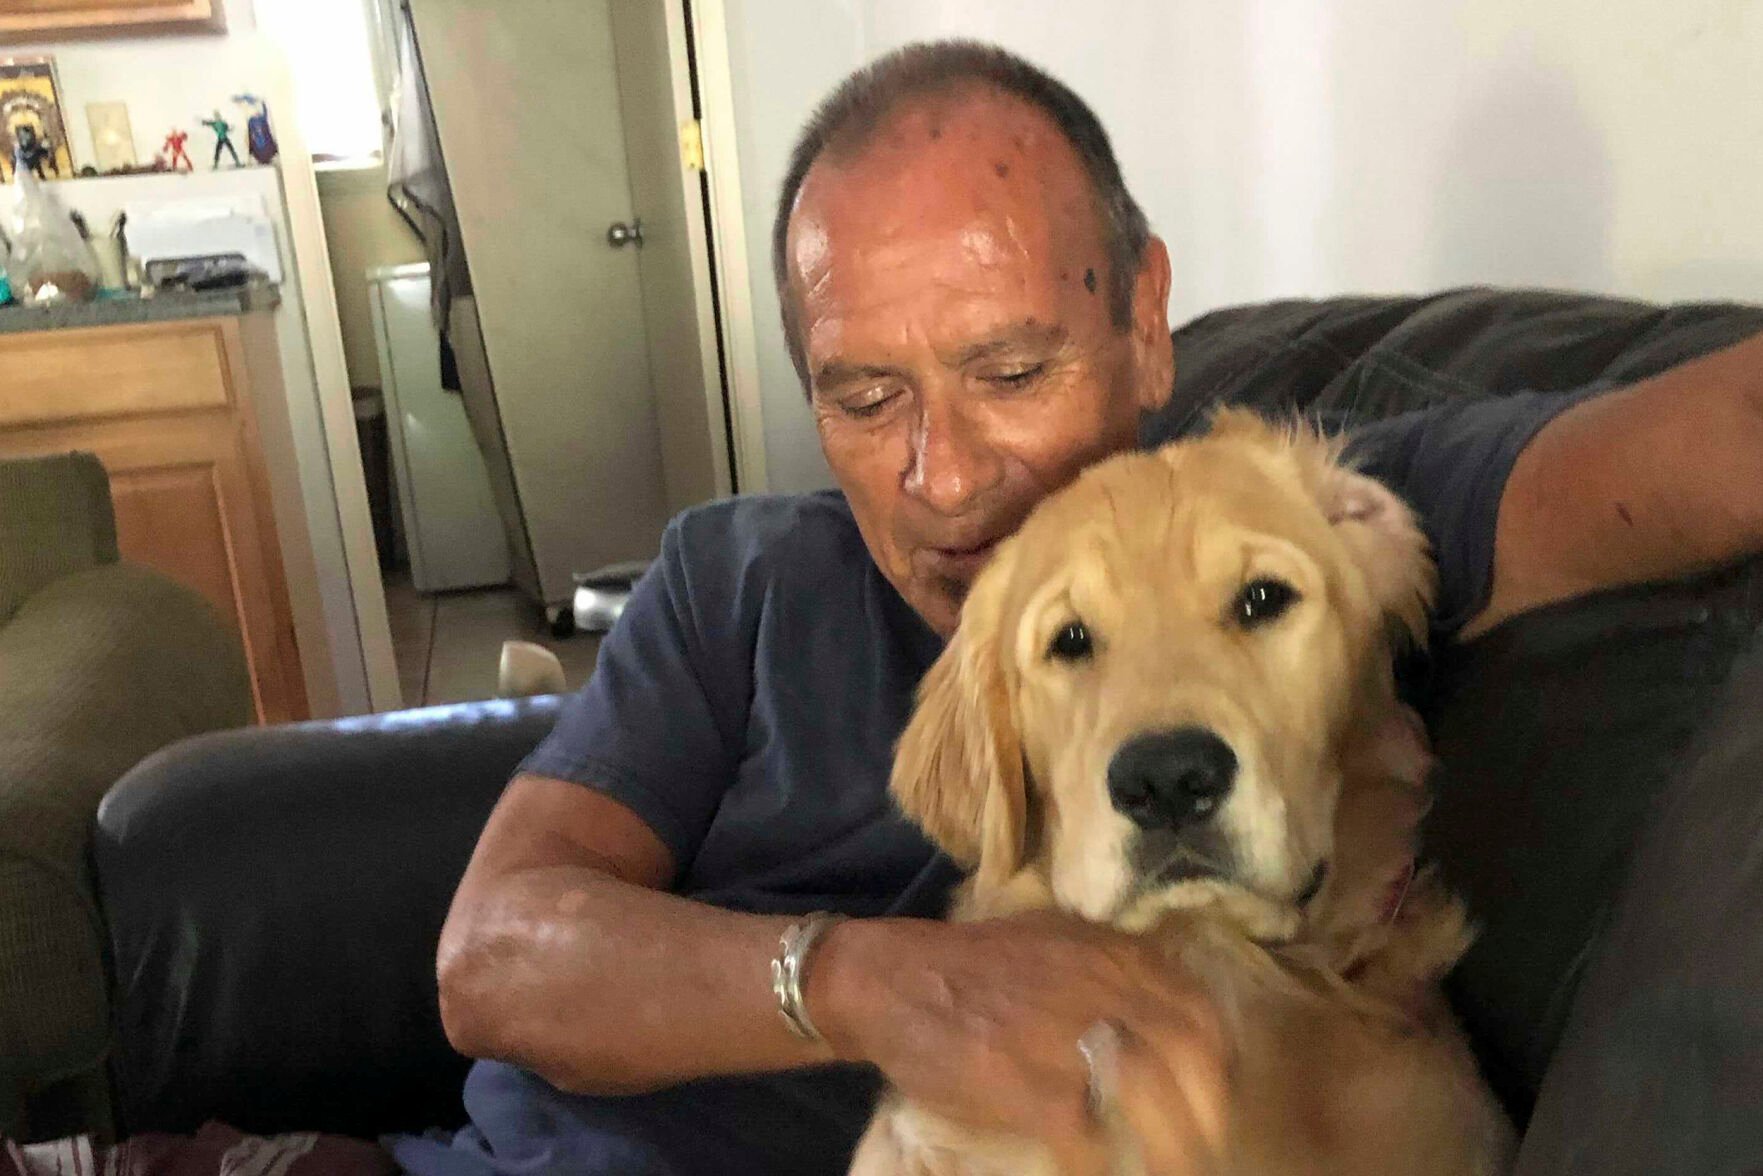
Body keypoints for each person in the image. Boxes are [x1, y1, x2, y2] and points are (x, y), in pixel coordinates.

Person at [388, 40, 1763, 1176]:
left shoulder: (1300, 517)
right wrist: (879, 987)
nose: (944, 478)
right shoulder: (729, 580)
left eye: (1010, 372)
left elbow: (1722, 434)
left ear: (1145, 321)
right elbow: (490, 961)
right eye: (864, 399)